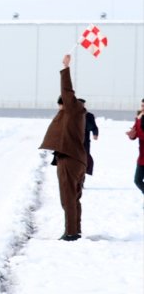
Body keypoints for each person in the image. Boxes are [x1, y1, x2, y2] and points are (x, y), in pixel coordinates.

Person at [39, 54, 87, 241]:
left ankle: (70, 233)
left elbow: (67, 90)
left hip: (69, 160)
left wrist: (65, 68)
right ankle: (76, 229)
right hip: (78, 160)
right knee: (74, 199)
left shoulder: (72, 110)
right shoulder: (79, 114)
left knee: (67, 199)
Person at [127, 98, 144, 195]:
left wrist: (137, 133)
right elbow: (136, 130)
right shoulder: (139, 117)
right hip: (141, 157)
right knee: (137, 180)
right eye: (142, 106)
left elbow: (142, 134)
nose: (142, 108)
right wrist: (132, 135)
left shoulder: (139, 118)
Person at [78, 99, 99, 176]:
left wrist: (95, 134)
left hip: (85, 142)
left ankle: (81, 180)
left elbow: (94, 127)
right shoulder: (72, 115)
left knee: (84, 160)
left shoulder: (89, 116)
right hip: (73, 142)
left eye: (82, 105)